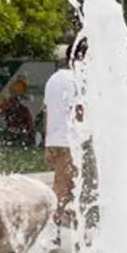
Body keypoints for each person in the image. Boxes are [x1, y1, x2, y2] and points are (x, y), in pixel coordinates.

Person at [43, 39, 87, 231]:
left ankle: (64, 227)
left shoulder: (54, 79)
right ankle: (55, 228)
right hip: (69, 142)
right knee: (66, 188)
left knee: (63, 184)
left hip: (54, 140)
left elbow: (47, 111)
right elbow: (79, 113)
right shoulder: (74, 81)